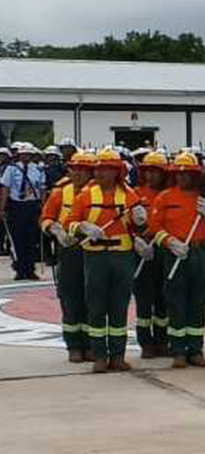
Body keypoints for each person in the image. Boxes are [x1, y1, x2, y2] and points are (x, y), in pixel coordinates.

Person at [69, 148, 144, 372]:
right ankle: (100, 356)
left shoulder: (129, 195)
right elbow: (70, 223)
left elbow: (139, 225)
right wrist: (83, 227)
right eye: (98, 169)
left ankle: (118, 356)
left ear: (116, 172)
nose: (100, 173)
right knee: (96, 306)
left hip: (122, 256)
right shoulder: (85, 196)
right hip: (95, 256)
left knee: (119, 306)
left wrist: (140, 220)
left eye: (105, 169)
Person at [149, 152, 205, 369]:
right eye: (178, 174)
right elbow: (154, 227)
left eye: (187, 174)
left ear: (195, 176)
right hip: (175, 253)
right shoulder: (165, 197)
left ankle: (195, 350)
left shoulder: (204, 199)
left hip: (199, 253)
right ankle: (178, 350)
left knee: (197, 302)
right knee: (176, 303)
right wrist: (169, 242)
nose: (182, 178)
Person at [40, 150, 96, 363]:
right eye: (75, 169)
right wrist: (55, 230)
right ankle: (74, 345)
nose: (79, 174)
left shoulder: (99, 192)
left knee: (93, 298)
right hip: (69, 249)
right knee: (70, 298)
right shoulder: (60, 192)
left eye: (84, 170)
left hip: (92, 249)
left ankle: (91, 344)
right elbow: (45, 218)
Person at [132, 151, 171, 357]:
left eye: (156, 172)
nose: (152, 176)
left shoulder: (171, 194)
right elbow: (128, 223)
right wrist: (136, 241)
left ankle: (163, 340)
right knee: (144, 299)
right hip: (143, 252)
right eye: (148, 171)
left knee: (164, 298)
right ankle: (146, 342)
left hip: (164, 250)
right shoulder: (135, 194)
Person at [1, 143, 49, 280]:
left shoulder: (38, 170)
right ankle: (19, 268)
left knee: (32, 239)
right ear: (19, 155)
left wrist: (44, 207)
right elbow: (5, 189)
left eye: (28, 154)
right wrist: (2, 208)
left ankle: (30, 269)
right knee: (17, 239)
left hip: (32, 206)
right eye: (23, 154)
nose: (25, 156)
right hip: (16, 206)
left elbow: (42, 189)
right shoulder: (11, 169)